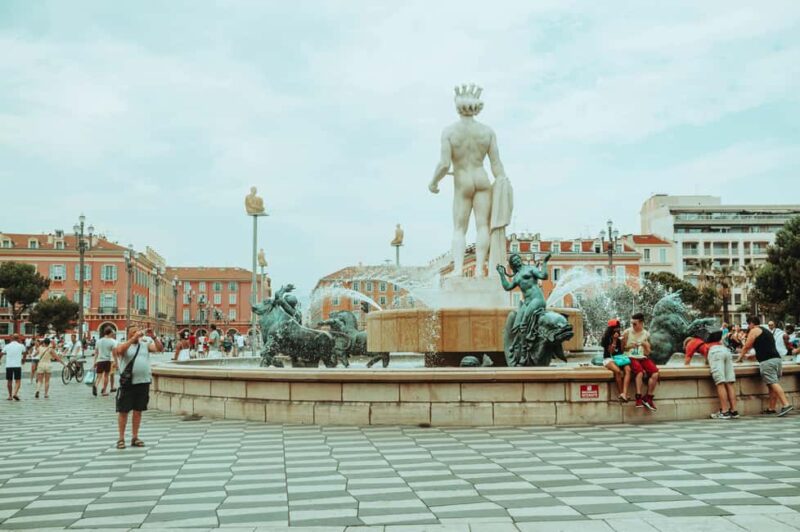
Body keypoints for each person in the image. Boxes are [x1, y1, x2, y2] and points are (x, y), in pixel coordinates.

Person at [113, 327, 162, 449]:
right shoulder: (123, 344)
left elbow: (160, 349)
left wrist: (154, 337)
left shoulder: (145, 345)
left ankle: (135, 437)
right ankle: (121, 438)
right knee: (123, 411)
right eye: (133, 332)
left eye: (137, 331)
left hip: (143, 381)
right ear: (128, 334)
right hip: (128, 383)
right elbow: (119, 351)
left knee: (138, 411)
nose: (137, 333)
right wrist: (133, 339)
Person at [736, 316, 793, 416]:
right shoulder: (766, 331)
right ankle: (771, 408)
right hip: (777, 360)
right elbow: (766, 347)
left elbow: (747, 346)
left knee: (773, 383)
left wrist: (740, 358)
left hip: (767, 362)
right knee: (772, 385)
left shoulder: (754, 330)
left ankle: (786, 404)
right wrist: (753, 356)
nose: (748, 327)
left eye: (748, 324)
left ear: (752, 323)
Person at [684, 330, 738, 419]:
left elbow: (687, 360)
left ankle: (724, 412)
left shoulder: (690, 343)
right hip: (725, 350)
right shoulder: (703, 341)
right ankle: (734, 411)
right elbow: (707, 357)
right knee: (729, 382)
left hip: (715, 353)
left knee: (720, 383)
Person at [623, 312, 659, 411]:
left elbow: (648, 353)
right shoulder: (627, 332)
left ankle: (648, 397)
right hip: (630, 357)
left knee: (655, 373)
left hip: (642, 357)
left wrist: (645, 346)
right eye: (631, 323)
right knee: (639, 371)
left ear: (641, 323)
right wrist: (630, 346)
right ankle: (638, 397)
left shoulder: (646, 334)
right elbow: (622, 349)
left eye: (635, 323)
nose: (632, 326)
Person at [600, 319, 631, 402]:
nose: (617, 330)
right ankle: (621, 393)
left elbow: (622, 351)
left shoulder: (619, 337)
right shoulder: (606, 338)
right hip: (608, 359)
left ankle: (625, 393)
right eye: (615, 328)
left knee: (628, 369)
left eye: (618, 328)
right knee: (617, 371)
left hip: (619, 358)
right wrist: (614, 340)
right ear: (611, 329)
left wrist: (622, 341)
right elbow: (610, 351)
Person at [1, 334, 26, 401]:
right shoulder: (21, 346)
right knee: (18, 381)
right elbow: (25, 353)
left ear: (11, 339)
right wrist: (23, 360)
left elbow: (1, 353)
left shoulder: (7, 346)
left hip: (9, 365)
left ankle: (10, 396)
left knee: (9, 381)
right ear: (18, 339)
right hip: (17, 365)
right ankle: (15, 393)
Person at [93, 327, 116, 397]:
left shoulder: (98, 341)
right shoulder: (112, 342)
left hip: (99, 360)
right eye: (112, 332)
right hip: (107, 360)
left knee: (99, 376)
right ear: (110, 333)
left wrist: (94, 362)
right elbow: (114, 353)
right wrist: (116, 362)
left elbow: (96, 353)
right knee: (106, 376)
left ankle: (96, 386)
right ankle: (104, 391)